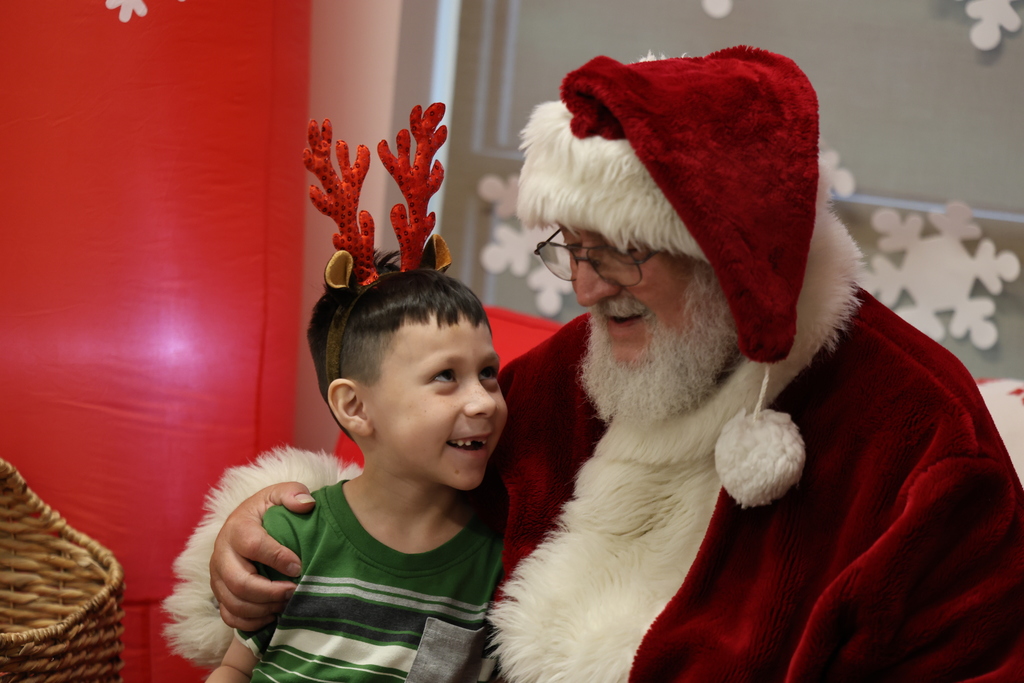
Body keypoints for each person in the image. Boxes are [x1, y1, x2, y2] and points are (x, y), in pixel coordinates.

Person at [169, 48, 1024, 681]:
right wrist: (258, 529)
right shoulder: (573, 376)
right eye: (570, 249)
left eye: (617, 253)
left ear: (733, 258)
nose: (582, 288)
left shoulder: (920, 437)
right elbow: (406, 488)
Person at [176, 107, 507, 683]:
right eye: (445, 377)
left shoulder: (498, 566)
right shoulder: (291, 538)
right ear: (354, 406)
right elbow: (234, 668)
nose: (482, 402)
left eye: (488, 373)